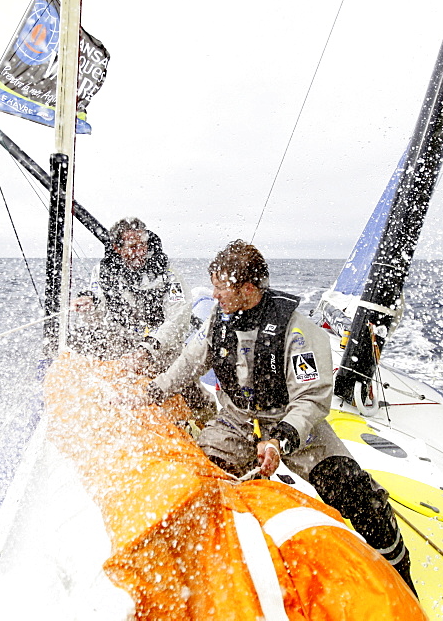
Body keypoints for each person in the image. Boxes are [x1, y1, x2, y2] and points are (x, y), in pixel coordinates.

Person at [146, 239, 417, 596]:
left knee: (354, 491)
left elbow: (311, 399)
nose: (213, 295)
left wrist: (281, 439)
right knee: (200, 484)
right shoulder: (218, 321)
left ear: (247, 288)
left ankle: (400, 573)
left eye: (220, 287)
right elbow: (188, 364)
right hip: (236, 421)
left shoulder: (296, 330)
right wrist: (153, 391)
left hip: (292, 423)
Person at [70, 217, 191, 373]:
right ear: (117, 248)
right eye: (133, 247)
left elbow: (178, 321)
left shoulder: (167, 273)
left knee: (184, 383)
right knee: (80, 344)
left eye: (143, 245)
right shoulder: (103, 272)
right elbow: (98, 310)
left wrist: (147, 350)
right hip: (122, 343)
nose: (140, 252)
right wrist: (89, 305)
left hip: (161, 346)